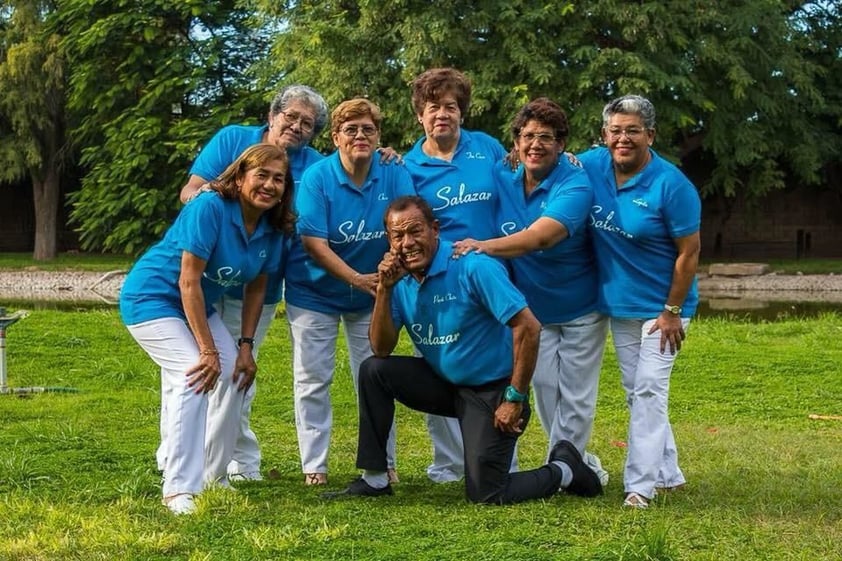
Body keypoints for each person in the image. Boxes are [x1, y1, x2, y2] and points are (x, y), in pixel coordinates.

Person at [323, 196, 603, 504]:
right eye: (398, 236)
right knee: (374, 370)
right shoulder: (399, 279)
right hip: (445, 384)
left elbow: (528, 327)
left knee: (486, 492)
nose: (407, 243)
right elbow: (381, 347)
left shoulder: (473, 266)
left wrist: (515, 398)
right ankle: (375, 479)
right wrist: (385, 291)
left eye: (415, 231)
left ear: (435, 229)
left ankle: (565, 468)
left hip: (492, 391)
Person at [159, 85, 328, 482]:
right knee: (190, 367)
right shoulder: (234, 139)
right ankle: (173, 454)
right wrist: (217, 214)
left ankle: (237, 460)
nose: (297, 126)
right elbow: (190, 189)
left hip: (259, 281)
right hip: (205, 276)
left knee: (237, 373)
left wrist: (389, 157)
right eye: (291, 116)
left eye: (307, 123)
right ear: (272, 116)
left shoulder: (317, 166)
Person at [120, 144, 293, 514]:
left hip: (195, 304)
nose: (269, 185)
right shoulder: (210, 206)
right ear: (241, 175)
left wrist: (245, 346)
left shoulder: (273, 224)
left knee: (235, 374)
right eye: (261, 175)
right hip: (153, 298)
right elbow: (188, 281)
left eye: (278, 179)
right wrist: (207, 350)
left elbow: (257, 288)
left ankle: (214, 476)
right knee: (193, 375)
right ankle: (179, 489)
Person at [452, 98, 609, 473]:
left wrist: (483, 246)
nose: (535, 144)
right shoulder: (503, 175)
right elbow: (456, 174)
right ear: (516, 142)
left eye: (546, 138)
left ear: (561, 145)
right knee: (543, 387)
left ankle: (566, 468)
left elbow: (540, 237)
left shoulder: (575, 182)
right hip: (532, 308)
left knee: (576, 395)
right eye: (527, 136)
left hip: (579, 308)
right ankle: (575, 461)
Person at [284, 98, 416, 485]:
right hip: (315, 292)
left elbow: (406, 225)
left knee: (375, 374)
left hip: (374, 293)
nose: (360, 135)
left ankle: (382, 460)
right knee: (313, 377)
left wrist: (387, 272)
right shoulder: (318, 178)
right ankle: (315, 465)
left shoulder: (394, 171)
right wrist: (357, 278)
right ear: (336, 136)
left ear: (378, 137)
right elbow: (314, 243)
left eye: (368, 129)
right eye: (351, 129)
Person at [578, 94, 701, 509]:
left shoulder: (672, 185)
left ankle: (640, 487)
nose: (623, 138)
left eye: (633, 131)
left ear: (650, 135)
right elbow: (545, 158)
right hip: (620, 305)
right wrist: (512, 159)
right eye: (615, 131)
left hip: (664, 308)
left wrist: (672, 312)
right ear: (603, 136)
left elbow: (690, 253)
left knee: (649, 388)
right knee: (636, 391)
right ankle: (668, 472)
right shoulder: (591, 165)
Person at [402, 67, 508, 483]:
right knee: (439, 360)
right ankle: (446, 462)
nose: (442, 114)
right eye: (433, 108)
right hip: (435, 277)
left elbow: (522, 175)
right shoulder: (407, 165)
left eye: (450, 106)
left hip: (488, 273)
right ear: (420, 117)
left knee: (490, 364)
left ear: (462, 111)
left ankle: (498, 454)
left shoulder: (488, 148)